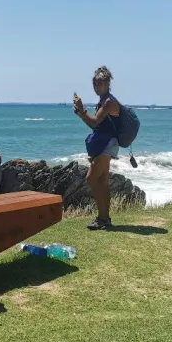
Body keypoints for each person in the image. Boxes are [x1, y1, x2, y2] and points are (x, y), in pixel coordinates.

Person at [72, 65, 121, 230]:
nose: (97, 87)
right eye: (95, 84)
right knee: (102, 181)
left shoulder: (107, 102)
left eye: (100, 83)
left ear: (108, 84)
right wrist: (81, 113)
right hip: (108, 143)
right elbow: (96, 127)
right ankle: (105, 219)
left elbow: (94, 122)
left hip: (107, 145)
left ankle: (102, 218)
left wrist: (81, 110)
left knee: (91, 178)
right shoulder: (104, 101)